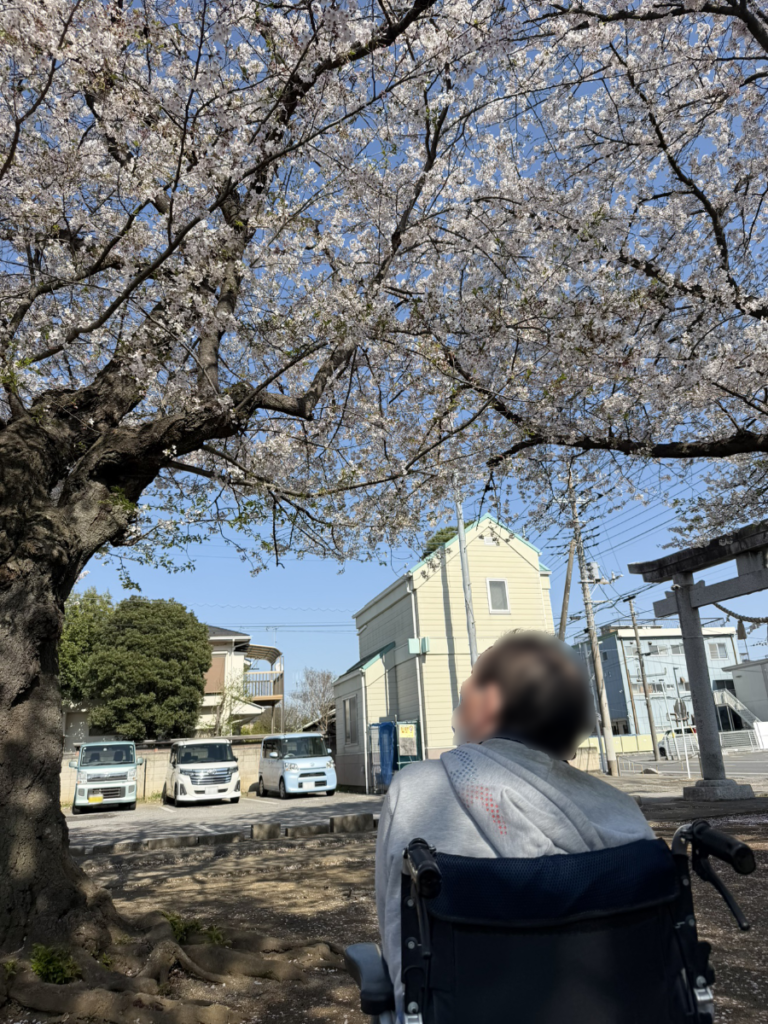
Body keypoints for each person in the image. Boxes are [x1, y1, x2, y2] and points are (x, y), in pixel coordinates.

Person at [375, 631, 655, 1016]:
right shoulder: (623, 812)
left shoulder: (416, 789)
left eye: (473, 679)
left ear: (492, 702)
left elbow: (397, 941)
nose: (462, 690)